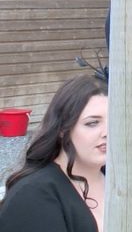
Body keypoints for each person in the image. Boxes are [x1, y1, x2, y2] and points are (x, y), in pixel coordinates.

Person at [0, 75, 108, 232]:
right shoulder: (32, 195)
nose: (107, 132)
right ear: (63, 129)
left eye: (115, 121)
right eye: (92, 123)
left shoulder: (126, 180)